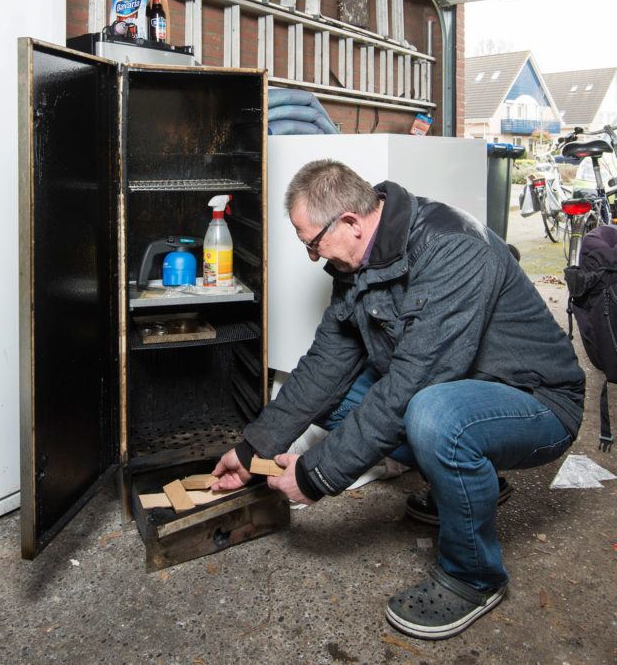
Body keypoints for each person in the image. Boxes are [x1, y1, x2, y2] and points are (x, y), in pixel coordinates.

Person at [212, 160, 585, 640]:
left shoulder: (451, 248)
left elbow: (412, 385)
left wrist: (317, 474)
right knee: (331, 395)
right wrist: (250, 451)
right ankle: (475, 484)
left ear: (349, 221)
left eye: (311, 243)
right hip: (460, 389)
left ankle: (473, 577)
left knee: (433, 415)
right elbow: (324, 366)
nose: (312, 256)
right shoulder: (357, 261)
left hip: (536, 404)